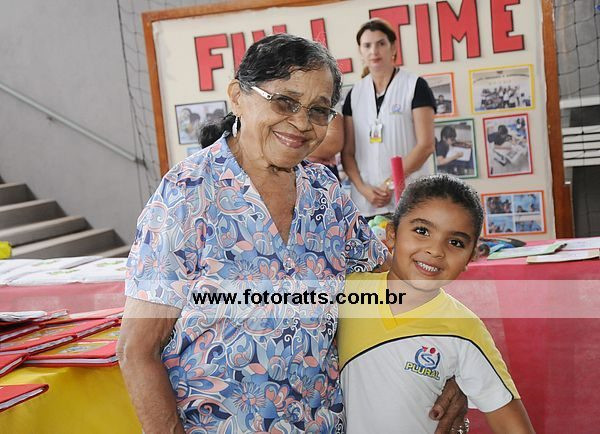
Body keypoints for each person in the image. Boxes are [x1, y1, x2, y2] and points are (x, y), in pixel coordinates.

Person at [117, 34, 465, 433]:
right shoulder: (188, 194)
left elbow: (394, 288)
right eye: (284, 101)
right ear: (238, 97)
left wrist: (447, 363)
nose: (301, 123)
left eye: (318, 111)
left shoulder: (324, 191)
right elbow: (137, 350)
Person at [338, 174, 535, 433]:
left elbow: (512, 424)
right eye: (422, 231)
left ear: (470, 257)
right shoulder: (346, 293)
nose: (436, 250)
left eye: (455, 242)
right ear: (392, 234)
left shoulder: (464, 329)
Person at [341, 18, 436, 218]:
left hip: (410, 199)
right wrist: (364, 189)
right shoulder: (354, 94)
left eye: (381, 43)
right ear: (360, 52)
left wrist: (391, 182)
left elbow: (426, 145)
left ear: (393, 47)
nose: (374, 51)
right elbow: (347, 153)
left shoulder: (415, 86)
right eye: (367, 45)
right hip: (367, 202)